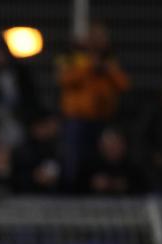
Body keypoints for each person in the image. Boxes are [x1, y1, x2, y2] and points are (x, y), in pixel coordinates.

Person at [55, 21, 130, 190]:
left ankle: (101, 189)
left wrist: (106, 69)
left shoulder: (110, 60)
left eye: (102, 38)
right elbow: (63, 79)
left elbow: (124, 84)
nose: (99, 41)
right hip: (77, 119)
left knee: (104, 156)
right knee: (73, 157)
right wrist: (90, 66)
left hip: (103, 118)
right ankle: (70, 189)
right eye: (95, 37)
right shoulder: (73, 56)